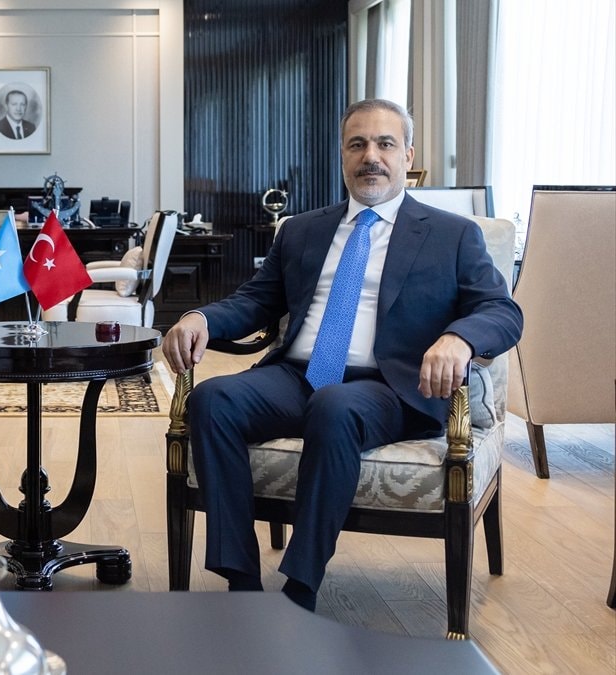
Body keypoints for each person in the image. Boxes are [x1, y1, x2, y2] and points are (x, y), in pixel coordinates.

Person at [161, 98, 523, 612]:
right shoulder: (302, 230)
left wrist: (459, 338)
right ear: (343, 155)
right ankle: (240, 581)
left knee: (335, 407)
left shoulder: (453, 234)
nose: (370, 156)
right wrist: (201, 318)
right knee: (213, 401)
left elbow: (502, 311)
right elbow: (257, 300)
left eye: (385, 144)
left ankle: (300, 589)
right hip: (300, 376)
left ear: (407, 156)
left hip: (390, 387)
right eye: (357, 144)